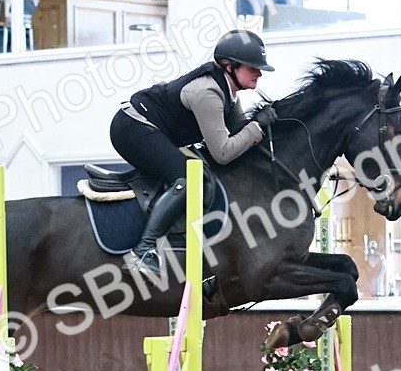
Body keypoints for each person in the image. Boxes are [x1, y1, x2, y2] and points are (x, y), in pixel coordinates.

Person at [110, 29, 278, 278]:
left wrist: (266, 124)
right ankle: (144, 249)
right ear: (229, 66)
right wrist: (257, 126)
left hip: (150, 128)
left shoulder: (228, 93)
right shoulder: (208, 93)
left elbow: (239, 134)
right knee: (188, 178)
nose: (259, 73)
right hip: (132, 127)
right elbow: (222, 152)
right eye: (253, 68)